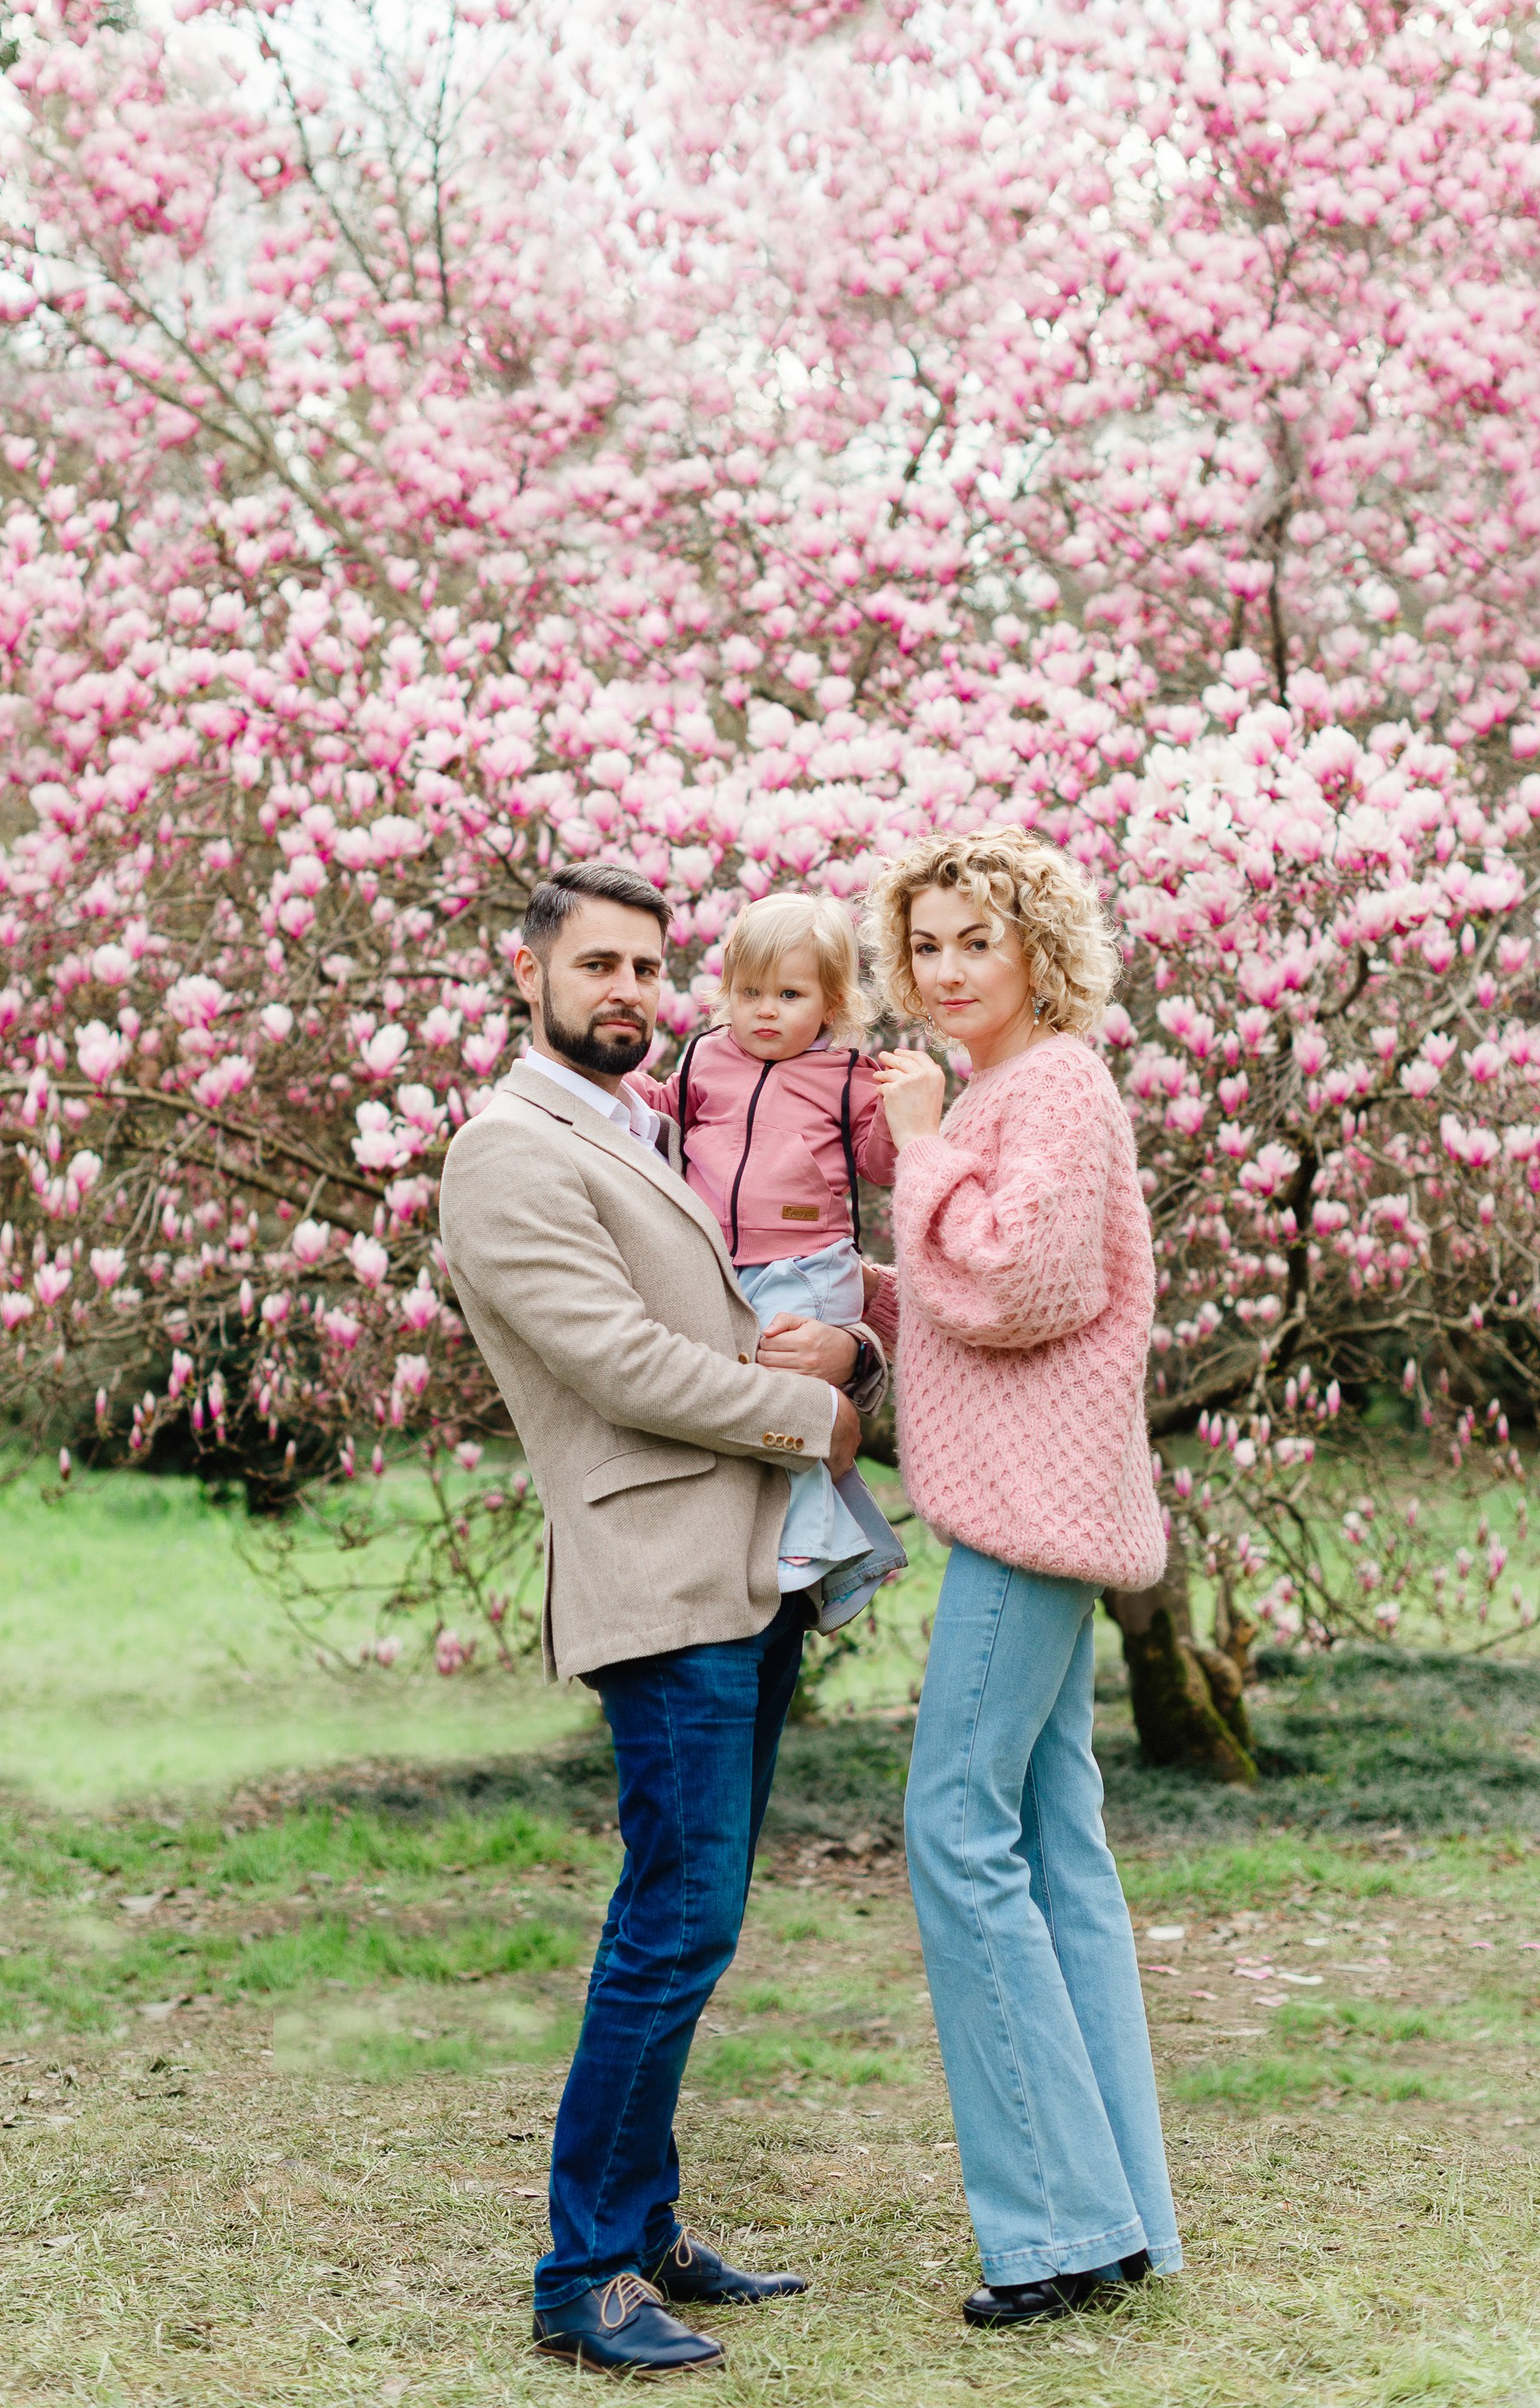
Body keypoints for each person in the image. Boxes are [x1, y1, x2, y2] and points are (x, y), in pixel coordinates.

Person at [438, 860, 883, 2378]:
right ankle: (581, 2274)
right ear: (529, 974)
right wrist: (805, 1416)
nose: (628, 991)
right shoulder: (508, 1151)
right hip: (658, 1578)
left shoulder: (652, 1124)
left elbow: (745, 1292)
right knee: (671, 1928)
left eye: (647, 968)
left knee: (693, 1920)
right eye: (597, 966)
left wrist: (856, 1346)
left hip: (739, 1570)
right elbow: (620, 1363)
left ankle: (644, 2226)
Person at [861, 826, 1182, 2324]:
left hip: (1028, 1519)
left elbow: (1017, 1284)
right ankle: (1121, 2218)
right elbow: (962, 1286)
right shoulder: (1010, 1091)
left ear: (1038, 950)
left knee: (955, 1831)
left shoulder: (1046, 1084)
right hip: (1034, 1504)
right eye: (923, 944)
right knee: (1057, 1850)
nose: (943, 969)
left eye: (973, 939)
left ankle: (1054, 2229)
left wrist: (921, 1145)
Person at [626, 890, 907, 1630]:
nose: (766, 1012)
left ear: (832, 1000)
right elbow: (668, 1108)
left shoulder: (847, 1074)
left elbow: (880, 1162)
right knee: (745, 1406)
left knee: (793, 1399)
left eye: (789, 994)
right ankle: (834, 1547)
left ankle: (823, 1556)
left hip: (808, 1261)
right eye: (750, 993)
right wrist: (611, 1083)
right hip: (720, 1264)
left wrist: (902, 1115)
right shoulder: (707, 1056)